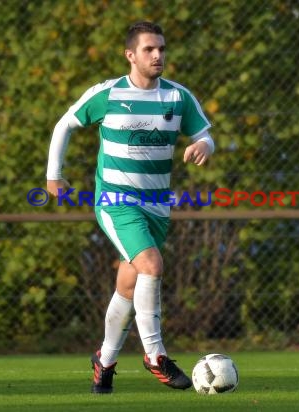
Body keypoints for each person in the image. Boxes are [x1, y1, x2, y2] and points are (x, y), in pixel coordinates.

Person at [46, 21, 214, 393]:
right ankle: (155, 354)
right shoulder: (108, 94)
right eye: (149, 49)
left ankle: (104, 362)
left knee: (130, 280)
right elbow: (64, 125)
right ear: (130, 55)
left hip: (156, 204)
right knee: (152, 265)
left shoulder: (177, 97)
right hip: (115, 201)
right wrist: (53, 176)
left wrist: (205, 145)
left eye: (162, 49)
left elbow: (204, 133)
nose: (158, 56)